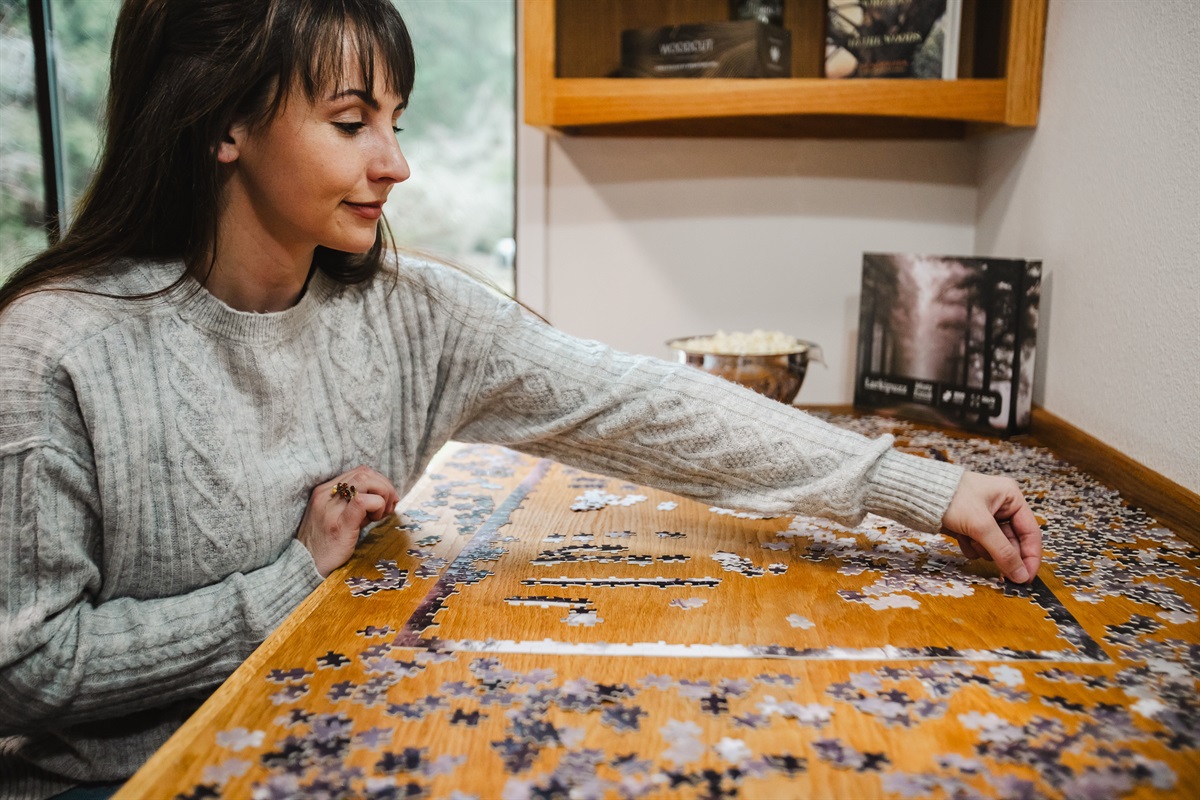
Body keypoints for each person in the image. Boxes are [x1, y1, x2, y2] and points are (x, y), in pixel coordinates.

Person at [0, 0, 1042, 796]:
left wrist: (915, 487)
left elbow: (641, 403)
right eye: (352, 121)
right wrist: (289, 579)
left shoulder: (411, 315)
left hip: (325, 736)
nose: (395, 163)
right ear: (222, 123)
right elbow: (27, 666)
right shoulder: (54, 348)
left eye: (395, 121)